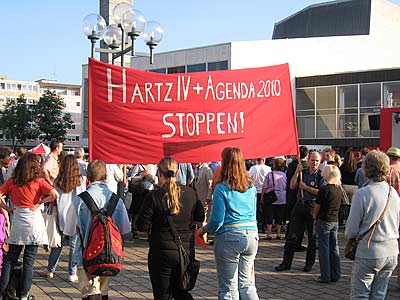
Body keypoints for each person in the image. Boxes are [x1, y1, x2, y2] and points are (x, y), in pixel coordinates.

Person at [135, 157, 205, 300]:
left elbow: (141, 226)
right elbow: (200, 217)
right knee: (181, 292)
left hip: (161, 252)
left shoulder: (154, 196)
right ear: (178, 171)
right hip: (185, 251)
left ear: (159, 173)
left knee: (162, 295)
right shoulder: (191, 193)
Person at [198, 147, 259, 300]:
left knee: (228, 288)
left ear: (225, 163)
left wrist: (203, 230)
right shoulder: (250, 187)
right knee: (247, 284)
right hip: (251, 235)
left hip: (230, 236)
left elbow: (217, 221)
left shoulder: (222, 188)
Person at [0, 153, 59, 300]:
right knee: (29, 261)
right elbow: (55, 194)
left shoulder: (13, 181)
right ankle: (24, 294)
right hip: (34, 222)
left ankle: (2, 290)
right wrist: (39, 202)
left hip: (18, 219)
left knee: (10, 259)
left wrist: (6, 208)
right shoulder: (39, 182)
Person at [71, 160, 130, 300]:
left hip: (84, 254)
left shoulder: (79, 200)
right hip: (108, 254)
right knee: (103, 292)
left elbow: (69, 230)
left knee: (88, 294)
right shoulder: (116, 200)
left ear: (88, 177)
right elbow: (125, 229)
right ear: (105, 176)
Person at [346, 150, 400, 299]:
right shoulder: (393, 193)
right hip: (391, 250)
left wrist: (351, 238)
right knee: (379, 295)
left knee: (360, 295)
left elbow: (351, 230)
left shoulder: (362, 194)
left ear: (366, 168)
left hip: (369, 250)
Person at [275, 151, 324, 272]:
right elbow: (292, 186)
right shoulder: (303, 172)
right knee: (292, 235)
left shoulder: (321, 175)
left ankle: (309, 263)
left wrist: (306, 188)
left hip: (312, 206)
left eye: (317, 161)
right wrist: (297, 171)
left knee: (312, 237)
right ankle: (286, 263)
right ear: (308, 160)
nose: (314, 163)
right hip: (300, 204)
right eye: (312, 160)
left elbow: (322, 193)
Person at [46, 155, 85, 283]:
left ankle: (50, 269)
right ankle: (72, 273)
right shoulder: (79, 181)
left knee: (58, 244)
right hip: (74, 215)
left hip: (60, 215)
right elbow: (82, 199)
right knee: (74, 245)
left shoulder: (58, 181)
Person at [313, 165, 342, 283]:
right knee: (334, 248)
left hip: (324, 219)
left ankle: (325, 275)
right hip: (335, 220)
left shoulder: (324, 189)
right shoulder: (339, 189)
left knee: (324, 248)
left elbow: (317, 206)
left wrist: (315, 217)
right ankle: (336, 273)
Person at [261, 158, 286, 240]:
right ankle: (278, 234)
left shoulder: (270, 174)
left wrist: (262, 197)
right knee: (279, 216)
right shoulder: (284, 175)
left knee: (269, 215)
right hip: (282, 197)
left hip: (271, 197)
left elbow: (264, 187)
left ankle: (269, 234)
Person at [247, 158, 271, 233]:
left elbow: (249, 179)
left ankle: (256, 224)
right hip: (266, 191)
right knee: (265, 210)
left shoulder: (253, 168)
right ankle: (264, 225)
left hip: (255, 191)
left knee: (255, 208)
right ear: (264, 160)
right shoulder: (268, 168)